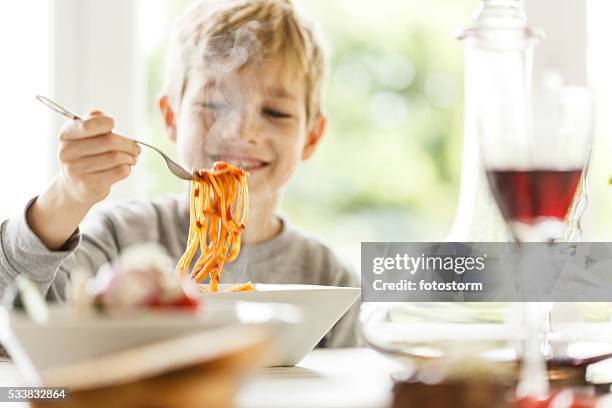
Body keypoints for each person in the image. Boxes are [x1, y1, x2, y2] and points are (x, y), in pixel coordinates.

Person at [0, 0, 359, 347]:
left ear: (310, 137)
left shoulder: (330, 278)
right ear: (171, 117)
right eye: (215, 105)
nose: (239, 132)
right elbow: (12, 324)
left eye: (275, 113)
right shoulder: (117, 238)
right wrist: (66, 198)